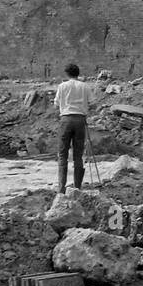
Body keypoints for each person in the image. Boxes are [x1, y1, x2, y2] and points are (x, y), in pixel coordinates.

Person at [54, 62, 92, 194]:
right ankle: (77, 188)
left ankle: (61, 188)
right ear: (78, 73)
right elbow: (91, 102)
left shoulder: (62, 86)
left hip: (65, 119)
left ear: (67, 73)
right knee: (78, 155)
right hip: (80, 120)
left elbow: (56, 103)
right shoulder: (85, 86)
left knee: (63, 154)